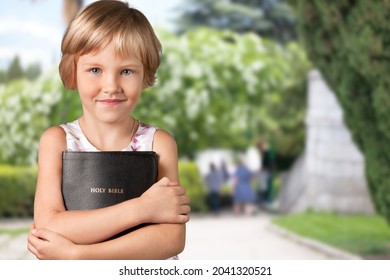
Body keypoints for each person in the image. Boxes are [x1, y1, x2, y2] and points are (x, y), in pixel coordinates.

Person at [27, 0, 190, 260]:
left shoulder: (159, 144)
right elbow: (49, 226)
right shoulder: (57, 142)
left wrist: (78, 255)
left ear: (145, 73)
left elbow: (171, 239)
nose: (111, 85)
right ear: (72, 72)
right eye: (95, 70)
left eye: (126, 70)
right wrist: (142, 208)